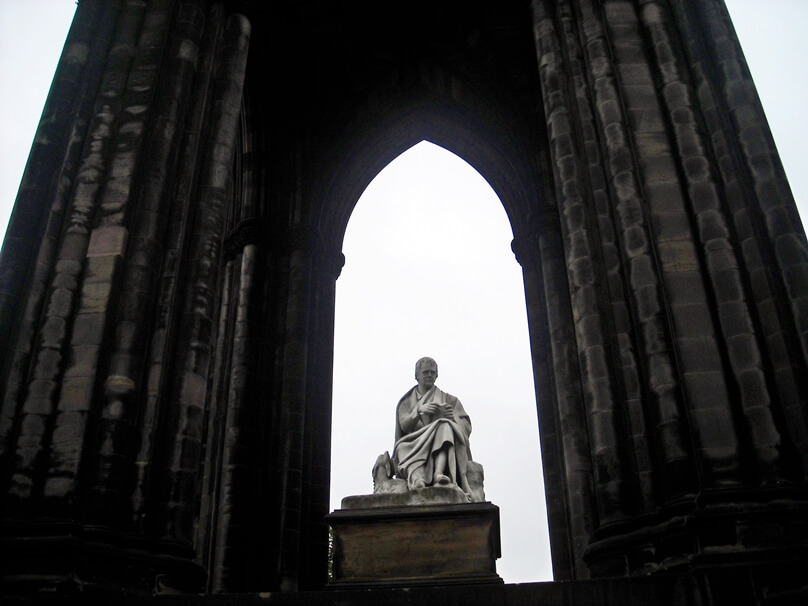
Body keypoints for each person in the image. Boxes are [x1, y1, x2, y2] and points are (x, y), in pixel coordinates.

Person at [392, 357, 475, 497]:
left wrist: (450, 418)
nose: (429, 375)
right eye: (425, 372)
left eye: (432, 372)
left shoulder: (449, 399)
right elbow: (404, 426)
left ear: (437, 375)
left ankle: (439, 473)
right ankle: (417, 479)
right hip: (414, 441)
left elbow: (465, 425)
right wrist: (418, 411)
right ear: (417, 375)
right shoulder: (406, 401)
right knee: (402, 448)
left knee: (444, 426)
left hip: (439, 436)